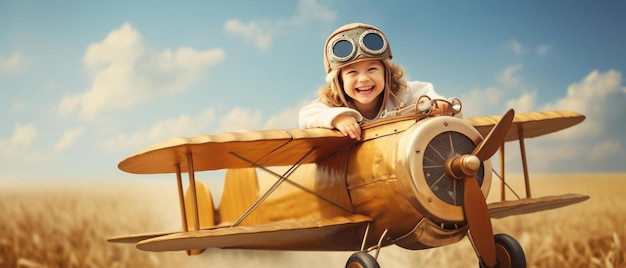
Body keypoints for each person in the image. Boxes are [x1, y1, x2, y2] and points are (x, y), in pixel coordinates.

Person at [299, 22, 457, 141]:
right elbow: (306, 115)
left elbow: (425, 91)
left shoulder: (400, 93)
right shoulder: (332, 103)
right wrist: (337, 118)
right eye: (352, 72)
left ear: (386, 73)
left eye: (372, 69)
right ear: (339, 82)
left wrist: (441, 104)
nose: (364, 78)